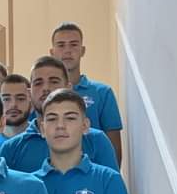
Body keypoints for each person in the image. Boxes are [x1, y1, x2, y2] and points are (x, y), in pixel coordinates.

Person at [1, 57, 118, 173]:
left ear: (68, 88)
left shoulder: (96, 141)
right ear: (29, 93)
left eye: (54, 81)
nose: (46, 88)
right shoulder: (11, 149)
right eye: (38, 83)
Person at [50, 22, 123, 165]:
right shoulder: (44, 95)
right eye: (61, 45)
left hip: (93, 173)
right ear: (52, 52)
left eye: (73, 44)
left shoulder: (103, 93)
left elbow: (114, 149)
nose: (67, 51)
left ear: (82, 50)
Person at [0, 73, 33, 143]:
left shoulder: (45, 138)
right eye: (6, 99)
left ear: (31, 102)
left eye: (20, 99)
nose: (13, 104)